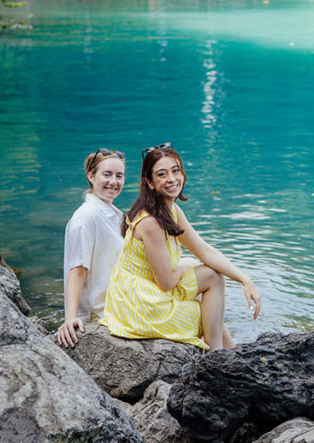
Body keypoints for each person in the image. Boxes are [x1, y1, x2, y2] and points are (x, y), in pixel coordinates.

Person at [100, 143, 261, 351]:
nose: (172, 179)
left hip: (140, 290)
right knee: (212, 280)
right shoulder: (151, 222)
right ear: (149, 182)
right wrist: (186, 267)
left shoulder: (171, 209)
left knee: (202, 276)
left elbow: (205, 251)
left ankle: (230, 353)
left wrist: (245, 280)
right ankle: (216, 355)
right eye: (162, 174)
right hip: (138, 306)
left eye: (175, 171)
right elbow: (166, 282)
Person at [57, 149, 126, 347]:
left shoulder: (113, 214)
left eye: (119, 176)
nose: (113, 181)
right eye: (107, 174)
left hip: (117, 303)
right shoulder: (86, 218)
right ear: (91, 176)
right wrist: (70, 318)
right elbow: (77, 269)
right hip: (101, 315)